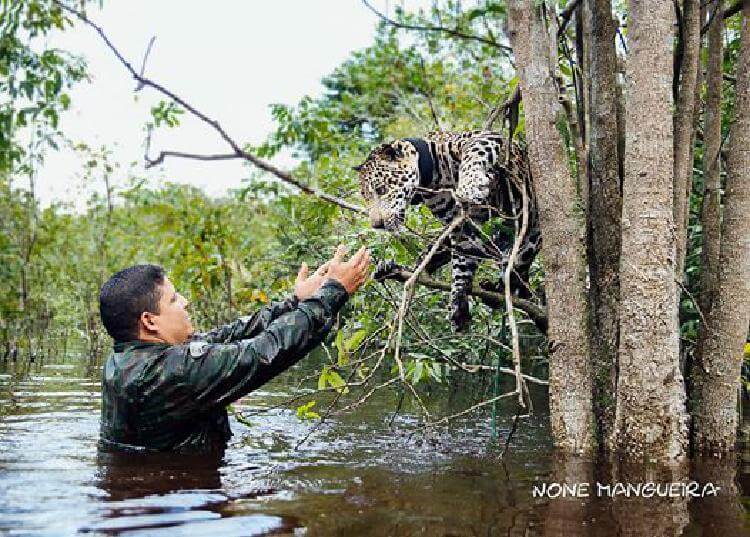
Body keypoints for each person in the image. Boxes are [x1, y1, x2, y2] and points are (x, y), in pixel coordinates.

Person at [98, 245, 371, 453]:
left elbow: (225, 337)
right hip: (179, 502)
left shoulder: (127, 357)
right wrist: (335, 291)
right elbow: (267, 350)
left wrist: (296, 301)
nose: (185, 302)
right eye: (173, 299)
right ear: (149, 321)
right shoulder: (173, 371)